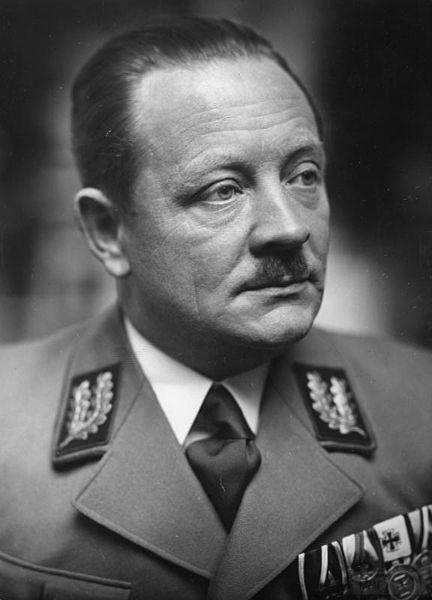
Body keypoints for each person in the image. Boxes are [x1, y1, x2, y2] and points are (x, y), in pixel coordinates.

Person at [0, 16, 431, 600]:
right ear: (107, 231)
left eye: (304, 176)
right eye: (222, 190)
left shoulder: (419, 404)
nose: (289, 227)